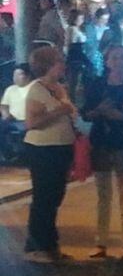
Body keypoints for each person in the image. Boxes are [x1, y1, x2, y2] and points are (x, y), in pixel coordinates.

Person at [22, 46, 77, 263]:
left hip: (62, 146)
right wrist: (58, 112)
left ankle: (51, 244)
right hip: (43, 149)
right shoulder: (37, 89)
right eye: (58, 62)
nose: (62, 65)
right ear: (48, 65)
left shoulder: (60, 88)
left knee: (55, 196)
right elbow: (31, 122)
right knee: (43, 197)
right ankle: (36, 246)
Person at [82, 44, 123, 259]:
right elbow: (86, 113)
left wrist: (118, 115)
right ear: (107, 61)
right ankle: (101, 242)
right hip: (102, 143)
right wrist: (99, 112)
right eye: (115, 58)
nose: (119, 62)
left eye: (122, 57)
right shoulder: (97, 85)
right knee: (103, 195)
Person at [0, 63, 31, 162]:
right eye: (14, 75)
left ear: (27, 76)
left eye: (19, 74)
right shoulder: (10, 89)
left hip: (28, 120)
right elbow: (4, 105)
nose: (15, 78)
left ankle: (22, 156)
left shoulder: (34, 88)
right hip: (12, 120)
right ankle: (8, 154)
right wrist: (5, 114)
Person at [65, 8, 88, 98]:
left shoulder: (76, 29)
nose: (82, 20)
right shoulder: (72, 29)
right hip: (75, 58)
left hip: (77, 57)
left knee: (74, 82)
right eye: (80, 18)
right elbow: (72, 44)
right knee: (73, 82)